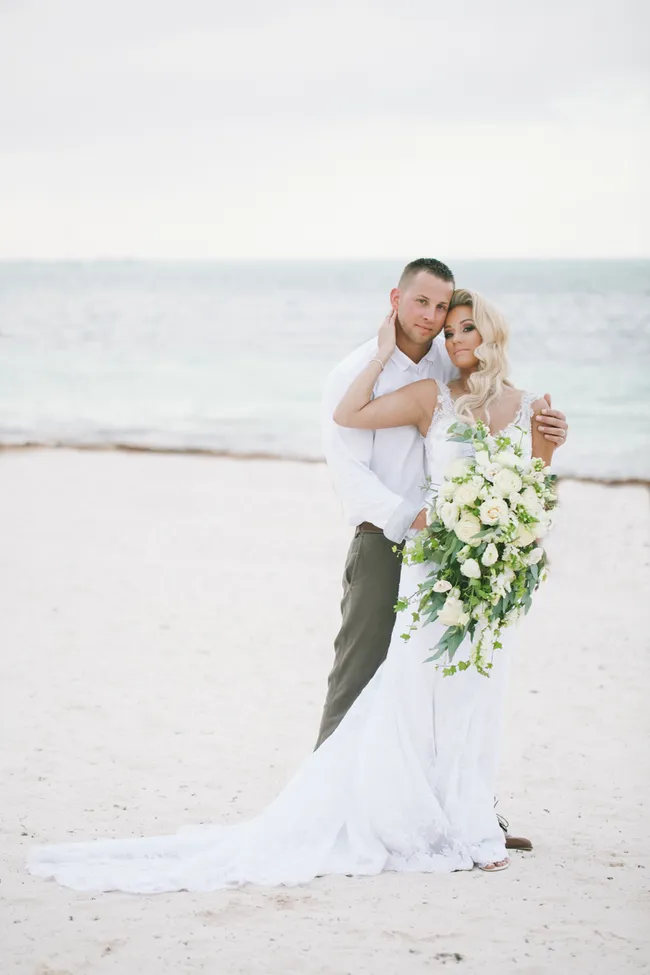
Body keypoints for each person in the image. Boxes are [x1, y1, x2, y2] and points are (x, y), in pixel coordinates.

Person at [27, 286, 562, 892]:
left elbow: (536, 488)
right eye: (450, 330)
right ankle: (407, 817)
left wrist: (522, 525)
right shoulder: (430, 396)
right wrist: (380, 353)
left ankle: (473, 819)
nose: (456, 338)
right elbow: (348, 415)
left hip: (494, 573)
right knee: (413, 691)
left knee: (478, 695)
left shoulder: (531, 407)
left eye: (468, 327)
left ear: (492, 332)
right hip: (432, 565)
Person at [316, 259, 567, 852]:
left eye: (452, 317)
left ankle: (469, 810)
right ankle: (329, 809)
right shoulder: (363, 371)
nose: (439, 325)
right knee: (366, 677)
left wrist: (547, 445)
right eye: (425, 306)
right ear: (396, 299)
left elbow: (527, 477)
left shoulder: (448, 366)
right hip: (388, 539)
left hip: (473, 558)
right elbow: (348, 459)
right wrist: (417, 517)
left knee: (468, 690)